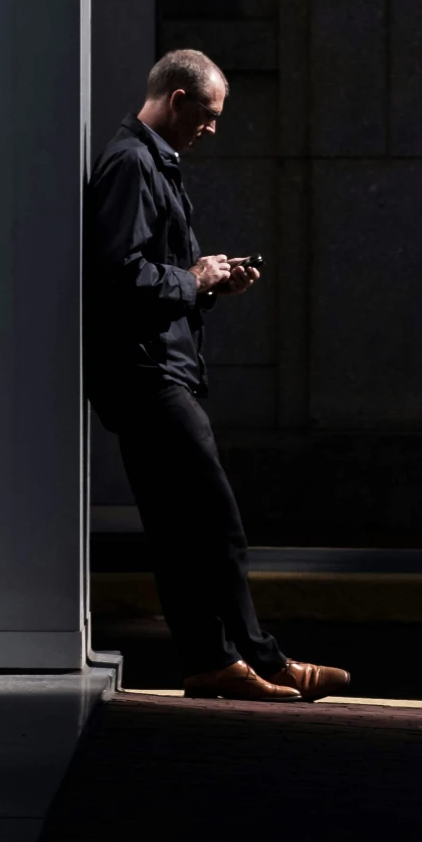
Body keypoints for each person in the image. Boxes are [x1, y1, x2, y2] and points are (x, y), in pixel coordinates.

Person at [86, 50, 349, 704]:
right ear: (176, 100)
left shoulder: (149, 163)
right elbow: (117, 276)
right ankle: (266, 659)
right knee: (216, 522)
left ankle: (210, 662)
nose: (211, 128)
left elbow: (147, 274)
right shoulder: (132, 165)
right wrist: (192, 278)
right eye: (206, 114)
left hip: (145, 370)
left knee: (178, 531)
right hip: (148, 375)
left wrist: (207, 285)